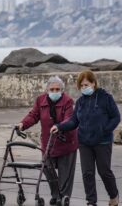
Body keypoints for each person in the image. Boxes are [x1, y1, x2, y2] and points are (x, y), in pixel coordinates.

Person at [50, 70, 120, 206]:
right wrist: (59, 126)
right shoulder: (81, 102)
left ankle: (114, 195)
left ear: (93, 83)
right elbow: (74, 121)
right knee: (87, 173)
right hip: (84, 142)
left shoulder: (105, 97)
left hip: (102, 141)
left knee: (104, 172)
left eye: (86, 85)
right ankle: (91, 201)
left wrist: (104, 130)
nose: (84, 88)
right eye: (81, 86)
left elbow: (116, 117)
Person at [18, 76, 78, 205]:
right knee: (47, 169)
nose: (55, 92)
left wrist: (59, 126)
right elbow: (33, 115)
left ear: (62, 90)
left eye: (57, 89)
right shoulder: (41, 100)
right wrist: (23, 124)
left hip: (66, 143)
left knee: (65, 175)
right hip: (48, 143)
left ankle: (63, 197)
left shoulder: (68, 101)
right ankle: (56, 195)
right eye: (52, 89)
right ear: (47, 90)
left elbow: (69, 119)